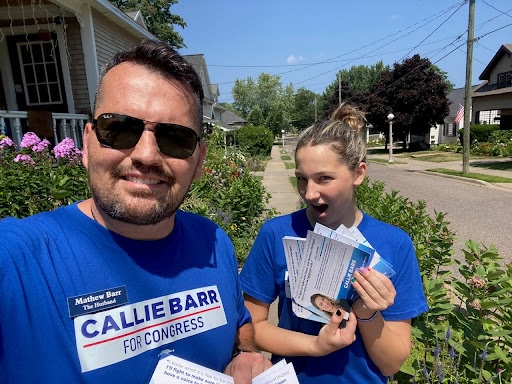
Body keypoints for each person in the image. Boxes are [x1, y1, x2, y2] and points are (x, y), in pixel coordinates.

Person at [0, 40, 271, 383]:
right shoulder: (16, 261)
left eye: (175, 138)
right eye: (120, 129)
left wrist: (244, 355)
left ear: (199, 160)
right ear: (87, 143)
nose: (146, 155)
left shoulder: (214, 243)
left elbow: (240, 322)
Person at [240, 102, 428, 383]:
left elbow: (390, 364)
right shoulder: (276, 233)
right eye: (302, 179)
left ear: (358, 174)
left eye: (324, 179)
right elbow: (252, 328)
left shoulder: (395, 244)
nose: (310, 193)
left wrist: (366, 313)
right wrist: (315, 347)